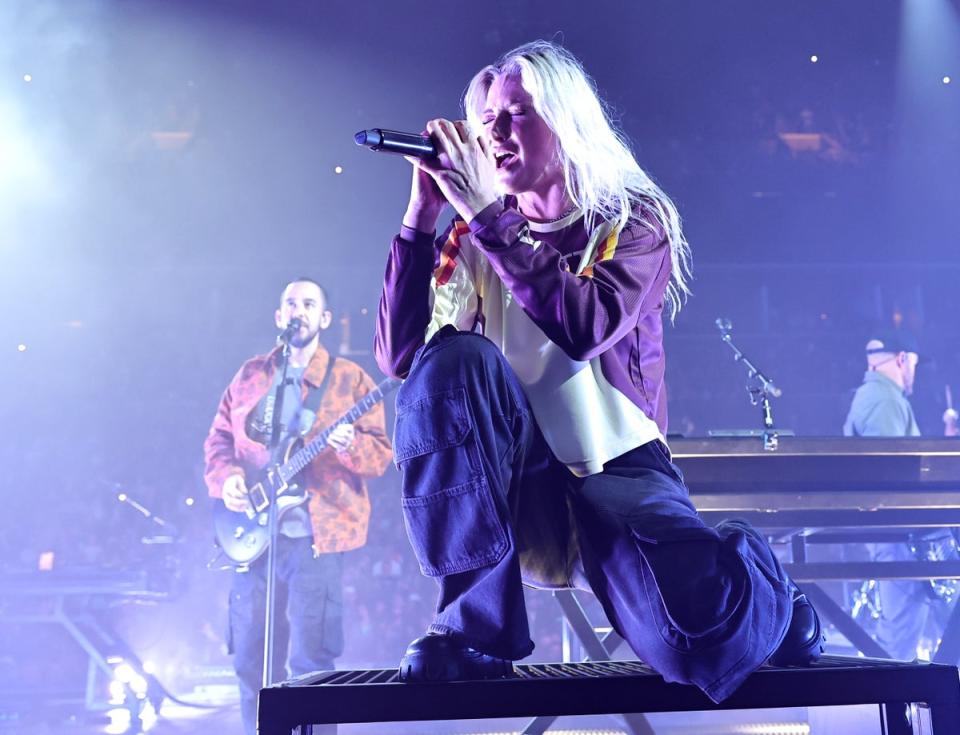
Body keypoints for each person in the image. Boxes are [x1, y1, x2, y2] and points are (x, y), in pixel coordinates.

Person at [374, 40, 822, 704]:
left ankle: (767, 594)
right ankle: (473, 632)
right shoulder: (472, 233)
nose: (494, 131)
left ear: (567, 121)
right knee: (453, 363)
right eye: (486, 118)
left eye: (517, 112)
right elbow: (403, 359)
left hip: (617, 470)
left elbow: (584, 326)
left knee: (699, 646)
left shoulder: (633, 218)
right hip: (519, 473)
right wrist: (422, 217)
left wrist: (489, 219)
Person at [204, 278, 392, 735]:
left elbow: (382, 455)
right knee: (250, 660)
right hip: (253, 540)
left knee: (312, 664)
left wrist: (349, 447)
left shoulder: (351, 380)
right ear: (278, 317)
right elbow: (219, 442)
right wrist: (228, 479)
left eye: (309, 304)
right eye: (291, 303)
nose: (299, 310)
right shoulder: (251, 375)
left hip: (316, 540)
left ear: (324, 319)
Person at [843, 330, 958, 660]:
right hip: (902, 536)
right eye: (916, 364)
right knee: (903, 635)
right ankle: (896, 704)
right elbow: (895, 473)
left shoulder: (881, 398)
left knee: (912, 629)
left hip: (903, 537)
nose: (915, 374)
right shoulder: (884, 400)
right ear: (903, 359)